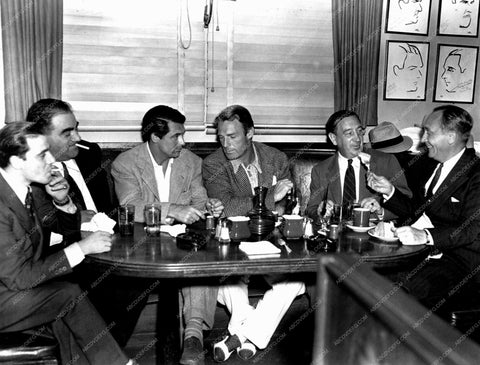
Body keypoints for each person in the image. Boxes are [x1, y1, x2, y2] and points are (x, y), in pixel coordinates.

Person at [0, 122, 136, 365]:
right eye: (42, 154)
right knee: (66, 294)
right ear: (17, 161)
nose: (51, 160)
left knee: (66, 310)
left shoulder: (29, 190)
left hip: (16, 290)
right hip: (7, 295)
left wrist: (63, 202)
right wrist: (82, 248)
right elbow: (19, 278)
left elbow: (64, 230)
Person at [111, 105, 224, 365]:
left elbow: (199, 199)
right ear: (155, 137)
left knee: (201, 259)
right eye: (176, 136)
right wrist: (175, 210)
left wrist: (209, 207)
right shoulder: (126, 163)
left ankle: (193, 337)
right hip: (144, 245)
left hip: (183, 242)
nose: (183, 142)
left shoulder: (191, 162)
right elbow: (130, 206)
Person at [26, 98, 142, 348]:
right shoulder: (30, 171)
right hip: (61, 254)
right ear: (39, 137)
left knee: (136, 280)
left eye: (76, 127)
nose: (77, 137)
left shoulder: (89, 155)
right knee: (105, 287)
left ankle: (108, 352)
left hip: (105, 244)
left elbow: (107, 209)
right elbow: (43, 230)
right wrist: (76, 217)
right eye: (67, 132)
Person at [202, 104, 305, 361]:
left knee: (297, 280)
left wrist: (282, 200)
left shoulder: (276, 159)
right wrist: (272, 195)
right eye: (221, 137)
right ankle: (251, 336)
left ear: (250, 133)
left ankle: (238, 335)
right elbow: (226, 207)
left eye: (232, 136)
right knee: (223, 278)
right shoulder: (213, 163)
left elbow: (287, 207)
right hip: (233, 247)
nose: (225, 144)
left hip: (272, 244)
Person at [367, 105, 480, 311]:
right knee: (369, 277)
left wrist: (425, 236)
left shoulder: (476, 174)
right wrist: (390, 190)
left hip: (461, 265)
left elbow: (471, 230)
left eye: (429, 132)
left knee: (398, 291)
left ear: (451, 136)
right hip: (425, 255)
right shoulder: (431, 166)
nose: (423, 139)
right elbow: (416, 209)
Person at [305, 110, 411, 223]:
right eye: (349, 133)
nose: (357, 139)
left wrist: (381, 211)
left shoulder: (386, 161)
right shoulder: (320, 170)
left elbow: (407, 203)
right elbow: (311, 209)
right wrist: (320, 212)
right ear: (334, 139)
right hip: (335, 234)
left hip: (374, 234)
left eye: (360, 131)